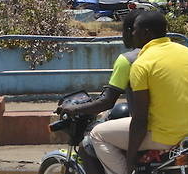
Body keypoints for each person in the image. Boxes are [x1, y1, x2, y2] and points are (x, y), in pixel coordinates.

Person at [88, 11, 188, 174]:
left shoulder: (142, 64)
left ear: (146, 33)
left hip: (166, 136)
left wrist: (131, 160)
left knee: (97, 134)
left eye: (135, 30)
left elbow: (140, 120)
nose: (132, 34)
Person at [57, 9, 144, 174]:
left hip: (151, 128)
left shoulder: (128, 60)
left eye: (124, 31)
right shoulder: (182, 54)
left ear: (132, 32)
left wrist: (73, 109)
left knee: (91, 140)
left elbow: (107, 101)